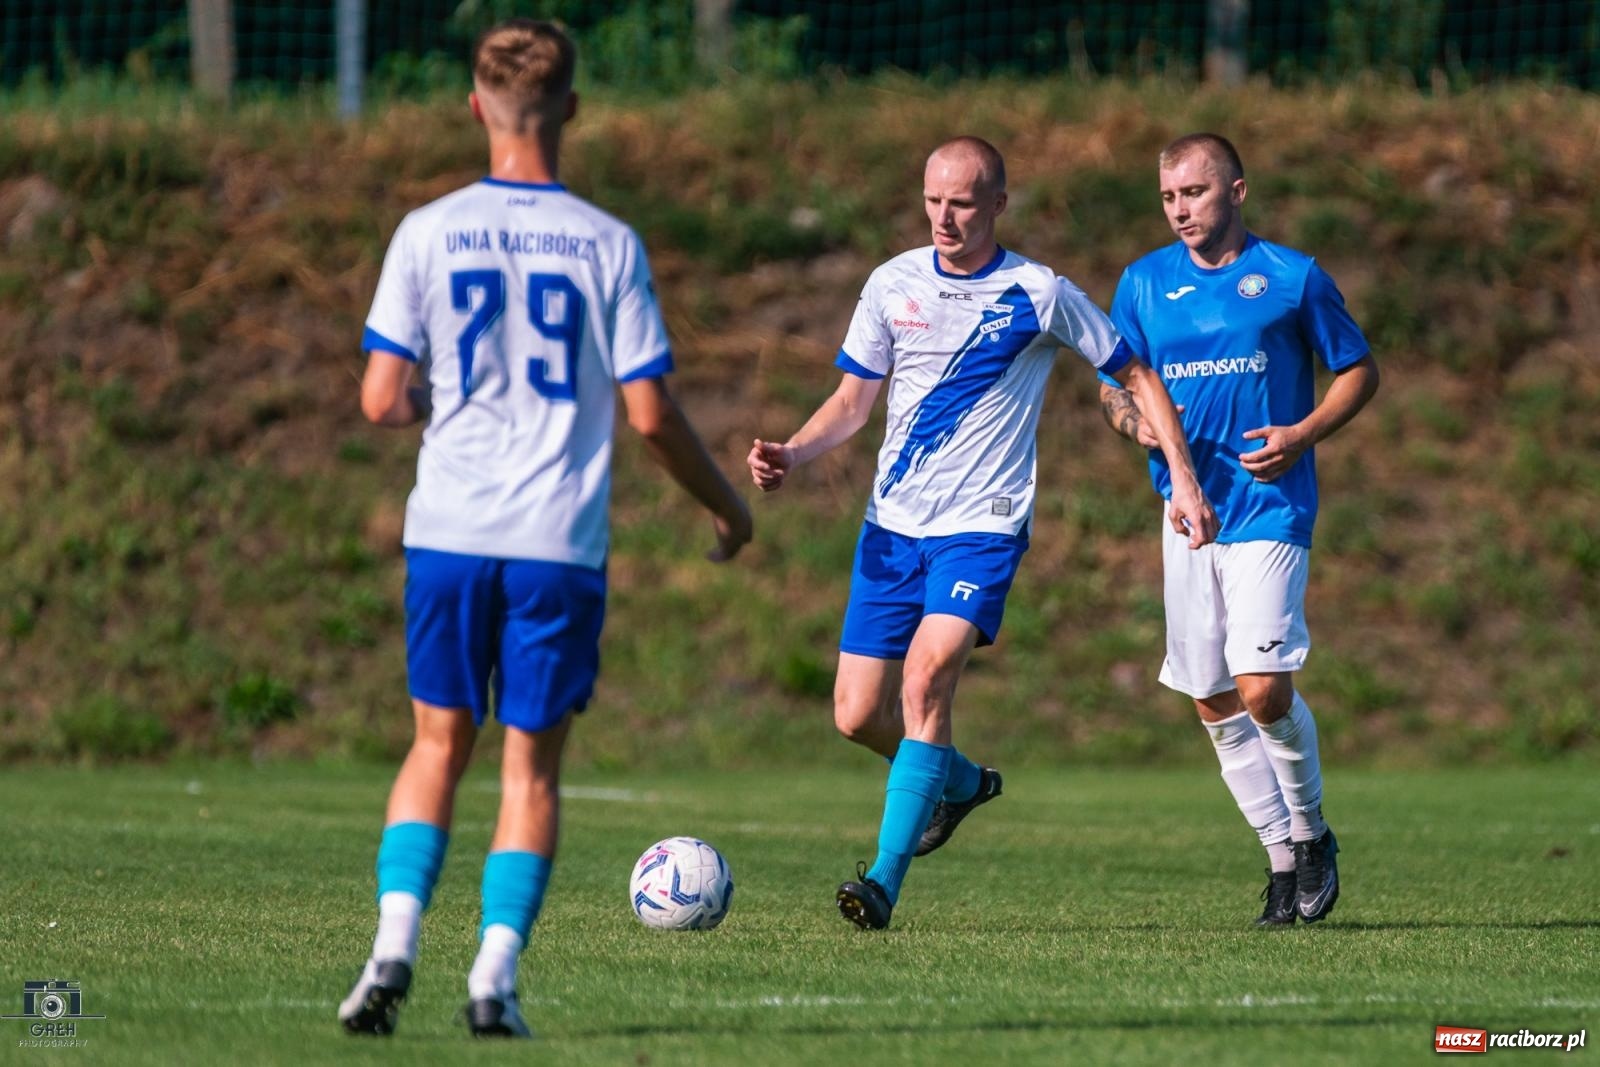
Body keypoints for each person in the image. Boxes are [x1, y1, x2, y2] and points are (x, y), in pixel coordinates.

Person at [338, 19, 752, 1039]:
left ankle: (391, 948)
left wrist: (450, 401)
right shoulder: (607, 243)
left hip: (448, 530)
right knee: (530, 767)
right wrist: (724, 503)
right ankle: (492, 975)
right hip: (554, 540)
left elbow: (381, 399)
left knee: (437, 743)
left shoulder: (425, 231)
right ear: (571, 108)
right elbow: (650, 413)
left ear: (476, 106)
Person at [749, 136, 1217, 931]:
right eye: (933, 201)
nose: (945, 217)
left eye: (963, 203)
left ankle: (882, 884)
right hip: (891, 530)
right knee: (857, 716)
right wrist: (793, 450)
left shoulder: (1038, 291)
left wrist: (1184, 480)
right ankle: (959, 783)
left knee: (926, 679)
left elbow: (1133, 371)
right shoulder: (890, 283)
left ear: (998, 204)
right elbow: (853, 402)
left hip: (982, 528)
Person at [1098, 132, 1379, 927]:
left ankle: (1314, 831)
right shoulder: (1144, 284)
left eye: (1195, 192)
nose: (1180, 209)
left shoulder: (1292, 278)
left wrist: (1303, 433)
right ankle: (1282, 859)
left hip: (1269, 507)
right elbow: (1116, 388)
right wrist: (1133, 424)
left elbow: (1359, 369)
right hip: (1188, 512)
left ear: (1237, 191)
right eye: (1168, 197)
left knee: (1261, 685)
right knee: (1214, 698)